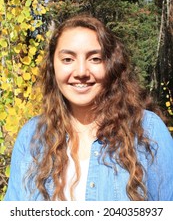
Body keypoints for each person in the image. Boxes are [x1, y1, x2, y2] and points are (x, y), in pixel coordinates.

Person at [4, 14, 173, 201]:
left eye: (95, 59)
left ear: (111, 66)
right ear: (53, 67)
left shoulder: (148, 131)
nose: (81, 72)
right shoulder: (31, 137)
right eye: (68, 59)